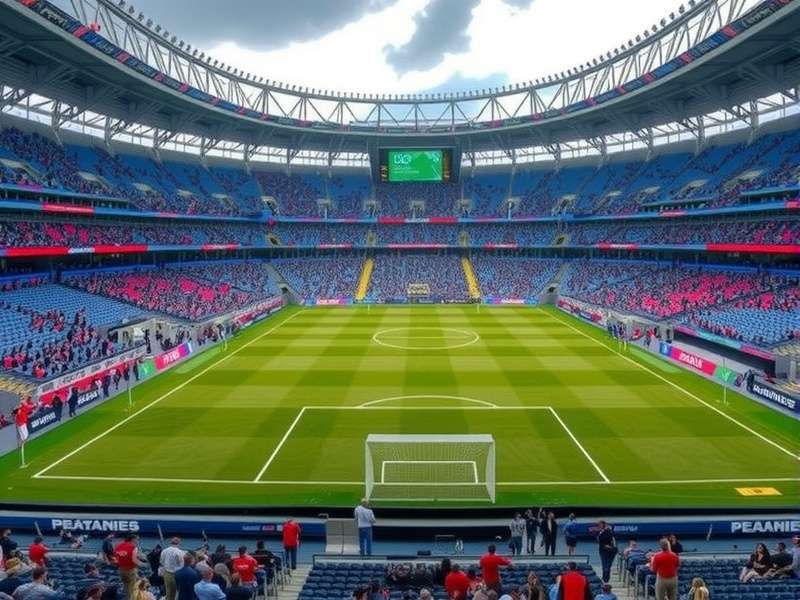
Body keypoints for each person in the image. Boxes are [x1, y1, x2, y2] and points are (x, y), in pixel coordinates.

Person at [115, 534, 146, 600]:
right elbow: (134, 560)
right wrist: (142, 564)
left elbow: (116, 557)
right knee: (132, 588)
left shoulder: (118, 546)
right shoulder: (133, 547)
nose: (138, 541)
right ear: (133, 539)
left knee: (126, 587)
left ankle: (128, 598)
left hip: (121, 570)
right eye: (137, 539)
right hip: (130, 570)